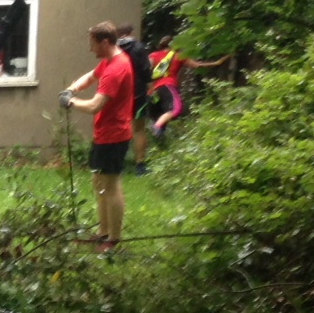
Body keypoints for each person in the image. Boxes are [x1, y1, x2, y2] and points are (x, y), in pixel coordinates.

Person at [61, 21, 135, 253]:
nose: (89, 49)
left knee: (110, 187)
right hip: (103, 134)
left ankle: (113, 240)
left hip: (114, 135)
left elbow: (95, 106)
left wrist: (71, 102)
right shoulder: (109, 61)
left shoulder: (116, 69)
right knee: (98, 183)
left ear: (104, 42)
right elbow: (90, 77)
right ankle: (102, 232)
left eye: (92, 44)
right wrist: (71, 89)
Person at [147, 34, 228, 142]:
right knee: (175, 109)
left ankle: (158, 141)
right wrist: (215, 63)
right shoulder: (178, 56)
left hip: (152, 91)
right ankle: (156, 127)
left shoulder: (153, 55)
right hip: (167, 86)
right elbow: (197, 65)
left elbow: (144, 69)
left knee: (158, 116)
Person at [114, 24, 154, 175]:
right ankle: (139, 166)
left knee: (118, 128)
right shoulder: (138, 47)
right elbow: (145, 69)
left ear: (118, 35)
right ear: (130, 33)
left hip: (118, 95)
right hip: (137, 94)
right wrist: (150, 87)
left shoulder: (114, 49)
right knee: (138, 130)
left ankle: (117, 164)